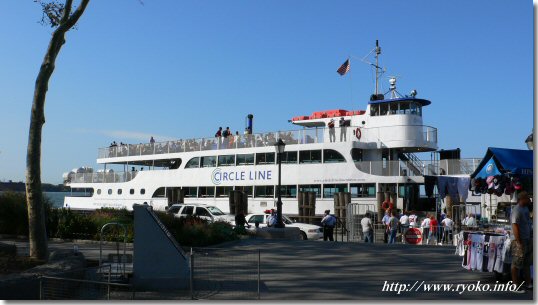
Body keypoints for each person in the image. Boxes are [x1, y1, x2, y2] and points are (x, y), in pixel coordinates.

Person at [511, 191, 532, 293]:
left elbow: (528, 222)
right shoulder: (517, 210)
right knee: (516, 263)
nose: (529, 200)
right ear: (522, 199)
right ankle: (515, 286)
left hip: (527, 238)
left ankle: (528, 283)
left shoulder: (526, 208)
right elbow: (515, 226)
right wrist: (518, 241)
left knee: (526, 262)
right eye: (527, 198)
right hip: (519, 240)